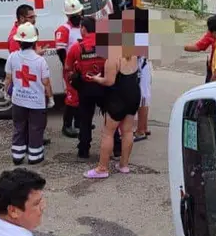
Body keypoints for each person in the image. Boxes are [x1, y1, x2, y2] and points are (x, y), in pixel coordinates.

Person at [84, 34, 141, 179]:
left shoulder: (113, 59)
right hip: (133, 96)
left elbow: (109, 82)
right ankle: (124, 165)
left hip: (117, 99)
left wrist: (96, 79)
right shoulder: (133, 54)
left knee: (108, 132)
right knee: (127, 131)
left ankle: (102, 168)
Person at [4, 23, 53, 165]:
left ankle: (17, 155)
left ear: (18, 41)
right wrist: (50, 98)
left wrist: (7, 93)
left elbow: (8, 79)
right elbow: (46, 82)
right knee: (36, 128)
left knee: (19, 127)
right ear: (34, 41)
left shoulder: (12, 57)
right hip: (36, 102)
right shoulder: (40, 61)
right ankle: (35, 156)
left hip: (18, 100)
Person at [65, 17, 106, 160]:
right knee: (112, 119)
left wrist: (78, 69)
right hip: (104, 85)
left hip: (86, 88)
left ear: (83, 29)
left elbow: (68, 68)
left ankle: (83, 150)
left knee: (85, 120)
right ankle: (117, 147)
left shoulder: (76, 47)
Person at [56, 0, 85, 137]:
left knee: (82, 96)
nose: (76, 17)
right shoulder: (64, 29)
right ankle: (67, 126)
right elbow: (60, 51)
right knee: (72, 97)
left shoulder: (83, 27)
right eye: (73, 15)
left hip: (83, 67)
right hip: (71, 69)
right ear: (68, 15)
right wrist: (68, 68)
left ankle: (80, 123)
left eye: (78, 14)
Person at [134, 55, 152, 142]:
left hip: (140, 64)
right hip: (143, 63)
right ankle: (143, 128)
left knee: (142, 97)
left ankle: (141, 131)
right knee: (144, 96)